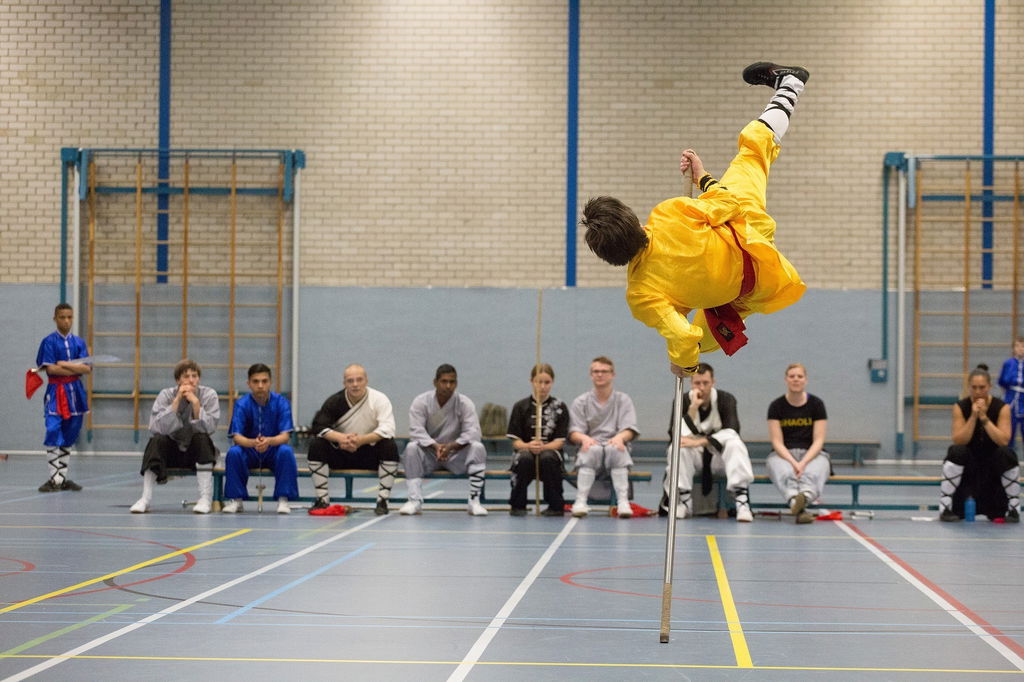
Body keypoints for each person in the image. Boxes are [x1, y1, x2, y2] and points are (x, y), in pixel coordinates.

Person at [580, 62, 809, 377]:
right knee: (753, 150)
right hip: (748, 232)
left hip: (752, 289)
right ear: (632, 220)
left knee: (695, 344)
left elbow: (684, 335)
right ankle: (790, 86)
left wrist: (685, 363)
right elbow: (727, 203)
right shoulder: (669, 213)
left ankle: (693, 355)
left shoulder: (641, 294)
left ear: (608, 258)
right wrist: (702, 178)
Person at [662, 363, 753, 522]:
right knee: (677, 448)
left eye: (706, 383)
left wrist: (700, 442)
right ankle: (684, 501)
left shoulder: (726, 399)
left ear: (713, 382)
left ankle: (741, 501)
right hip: (695, 460)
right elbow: (675, 434)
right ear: (691, 383)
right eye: (697, 383)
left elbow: (732, 430)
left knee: (735, 444)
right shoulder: (682, 400)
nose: (702, 387)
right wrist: (693, 408)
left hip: (719, 459)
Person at [307, 364, 399, 515]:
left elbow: (388, 429)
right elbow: (318, 427)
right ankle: (322, 499)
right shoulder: (334, 401)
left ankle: (382, 501)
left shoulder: (379, 399)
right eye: (350, 381)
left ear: (366, 380)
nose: (355, 384)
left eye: (359, 380)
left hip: (369, 455)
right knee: (316, 445)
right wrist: (341, 438)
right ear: (344, 383)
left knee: (389, 446)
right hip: (341, 453)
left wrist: (361, 440)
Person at [130, 359, 220, 514]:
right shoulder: (166, 395)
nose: (191, 380)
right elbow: (157, 428)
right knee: (156, 441)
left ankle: (205, 498)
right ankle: (145, 499)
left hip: (196, 452)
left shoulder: (209, 395)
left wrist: (196, 405)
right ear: (178, 380)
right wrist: (176, 401)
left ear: (199, 378)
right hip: (172, 452)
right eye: (186, 377)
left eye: (194, 376)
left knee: (202, 439)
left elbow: (210, 428)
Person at [400, 364, 488, 516]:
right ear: (435, 382)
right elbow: (416, 430)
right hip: (430, 454)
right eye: (444, 381)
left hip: (455, 454)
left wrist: (452, 446)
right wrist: (435, 446)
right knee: (411, 448)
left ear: (456, 383)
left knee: (478, 447)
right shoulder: (421, 402)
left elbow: (473, 432)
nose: (448, 386)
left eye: (452, 382)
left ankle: (474, 501)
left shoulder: (464, 403)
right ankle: (414, 500)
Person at [939, 364, 1019, 523]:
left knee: (1007, 454)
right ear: (969, 387)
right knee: (956, 451)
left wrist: (984, 418)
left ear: (989, 387)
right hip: (969, 467)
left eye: (982, 387)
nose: (977, 392)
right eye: (974, 387)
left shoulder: (1002, 408)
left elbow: (1003, 440)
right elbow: (959, 440)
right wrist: (973, 417)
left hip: (993, 468)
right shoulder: (960, 407)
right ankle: (945, 506)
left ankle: (1014, 508)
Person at [222, 363, 298, 514]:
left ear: (270, 382)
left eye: (264, 381)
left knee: (286, 451)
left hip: (273, 450)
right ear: (249, 383)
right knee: (234, 453)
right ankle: (236, 500)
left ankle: (283, 500)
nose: (260, 385)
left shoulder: (282, 403)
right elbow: (237, 436)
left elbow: (285, 436)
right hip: (249, 451)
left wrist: (269, 441)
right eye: (256, 381)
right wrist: (253, 443)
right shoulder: (241, 404)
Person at [567, 356, 639, 518]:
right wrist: (584, 438)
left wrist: (620, 437)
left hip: (614, 445)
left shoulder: (623, 400)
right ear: (591, 375)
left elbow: (630, 429)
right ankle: (581, 500)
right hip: (592, 445)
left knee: (617, 450)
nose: (600, 374)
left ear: (613, 374)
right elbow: (574, 431)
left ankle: (622, 502)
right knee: (590, 450)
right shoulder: (581, 402)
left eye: (604, 371)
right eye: (596, 371)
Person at [34, 303, 90, 492]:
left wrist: (64, 364)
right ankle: (54, 478)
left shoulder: (79, 343)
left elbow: (86, 369)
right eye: (62, 317)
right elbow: (51, 369)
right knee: (52, 428)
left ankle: (61, 479)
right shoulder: (49, 342)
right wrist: (75, 367)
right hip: (56, 392)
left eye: (69, 317)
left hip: (76, 393)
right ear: (55, 318)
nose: (66, 321)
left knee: (70, 432)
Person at [765, 363, 829, 524]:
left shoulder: (817, 404)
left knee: (813, 474)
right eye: (792, 376)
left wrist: (804, 462)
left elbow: (819, 440)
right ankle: (796, 501)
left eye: (799, 376)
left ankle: (801, 498)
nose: (796, 379)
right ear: (786, 380)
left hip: (812, 454)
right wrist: (794, 463)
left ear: (806, 380)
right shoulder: (776, 406)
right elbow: (777, 442)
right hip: (783, 454)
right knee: (785, 473)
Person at [507, 363, 569, 516]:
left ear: (552, 382)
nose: (542, 386)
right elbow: (515, 441)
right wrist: (528, 445)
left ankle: (555, 505)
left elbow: (560, 441)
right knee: (524, 459)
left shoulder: (560, 407)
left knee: (547, 458)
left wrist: (543, 447)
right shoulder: (520, 406)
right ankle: (518, 505)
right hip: (525, 451)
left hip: (551, 452)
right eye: (538, 382)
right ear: (531, 381)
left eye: (547, 382)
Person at [998, 337, 1024, 450]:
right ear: (1013, 348)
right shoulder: (1008, 363)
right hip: (1011, 398)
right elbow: (1002, 381)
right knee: (1009, 430)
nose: (1020, 349)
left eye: (1023, 346)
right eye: (1017, 346)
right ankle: (1008, 456)